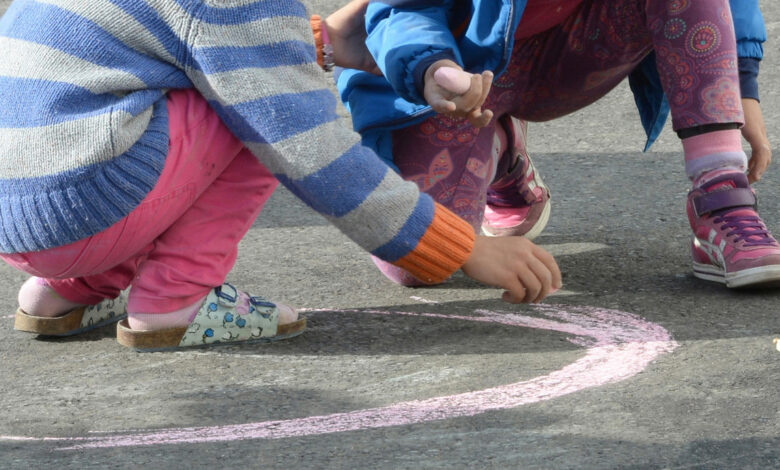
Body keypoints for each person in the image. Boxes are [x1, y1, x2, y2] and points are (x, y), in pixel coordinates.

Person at [0, 0, 562, 351]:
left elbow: (179, 30)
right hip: (90, 207)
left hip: (24, 219)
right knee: (262, 110)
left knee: (219, 86)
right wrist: (463, 248)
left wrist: (314, 40)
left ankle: (66, 292)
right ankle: (176, 300)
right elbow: (314, 154)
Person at [337, 0, 775, 289]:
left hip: (573, 48)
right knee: (418, 261)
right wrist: (430, 67)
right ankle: (501, 152)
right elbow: (399, 10)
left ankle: (722, 200)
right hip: (460, 72)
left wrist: (742, 83)